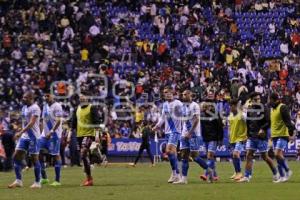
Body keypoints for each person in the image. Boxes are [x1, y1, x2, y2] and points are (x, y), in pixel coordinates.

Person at [173, 90, 213, 184]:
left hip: (193, 134)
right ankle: (184, 179)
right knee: (184, 156)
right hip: (184, 134)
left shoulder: (195, 106)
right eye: (182, 94)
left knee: (194, 156)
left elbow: (196, 120)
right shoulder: (182, 107)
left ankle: (209, 170)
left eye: (185, 94)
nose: (183, 96)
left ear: (190, 95)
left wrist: (190, 133)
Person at [238, 92, 279, 183]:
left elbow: (269, 122)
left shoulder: (264, 108)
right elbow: (248, 123)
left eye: (259, 99)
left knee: (265, 157)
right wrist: (247, 134)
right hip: (251, 137)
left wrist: (262, 129)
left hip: (261, 137)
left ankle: (276, 173)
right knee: (248, 155)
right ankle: (247, 176)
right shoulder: (249, 109)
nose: (258, 100)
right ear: (251, 100)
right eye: (256, 99)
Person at [8, 92, 42, 188]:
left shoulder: (35, 108)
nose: (23, 99)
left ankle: (37, 182)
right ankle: (18, 180)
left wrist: (20, 132)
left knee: (34, 158)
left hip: (34, 136)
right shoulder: (24, 108)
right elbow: (24, 122)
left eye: (25, 97)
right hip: (25, 136)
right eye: (23, 97)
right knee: (15, 156)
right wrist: (19, 129)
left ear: (31, 98)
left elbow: (31, 123)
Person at [153, 86, 182, 183]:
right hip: (167, 132)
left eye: (168, 92)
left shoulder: (178, 103)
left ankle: (176, 174)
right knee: (171, 153)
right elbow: (162, 118)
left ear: (172, 93)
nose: (167, 94)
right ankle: (175, 174)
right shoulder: (164, 105)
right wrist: (157, 126)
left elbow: (185, 115)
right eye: (165, 92)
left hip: (175, 131)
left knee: (168, 150)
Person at [72, 93, 101, 186]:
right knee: (84, 155)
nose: (82, 100)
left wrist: (97, 135)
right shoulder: (76, 109)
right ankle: (93, 161)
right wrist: (69, 135)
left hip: (89, 134)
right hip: (79, 135)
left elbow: (97, 122)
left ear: (87, 99)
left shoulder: (92, 108)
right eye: (80, 99)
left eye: (83, 98)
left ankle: (89, 179)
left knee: (83, 153)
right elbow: (73, 124)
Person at [269, 93, 295, 183]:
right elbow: (273, 123)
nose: (269, 102)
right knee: (279, 156)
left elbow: (288, 121)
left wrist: (291, 133)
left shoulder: (282, 107)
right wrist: (271, 136)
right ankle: (282, 176)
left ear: (274, 100)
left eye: (270, 100)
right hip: (275, 135)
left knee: (277, 154)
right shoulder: (272, 109)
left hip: (283, 135)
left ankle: (287, 170)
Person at [39, 93, 63, 186]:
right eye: (45, 96)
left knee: (55, 155)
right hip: (44, 135)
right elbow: (44, 120)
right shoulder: (45, 106)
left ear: (53, 97)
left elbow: (58, 120)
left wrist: (52, 131)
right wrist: (41, 133)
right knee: (38, 153)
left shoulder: (57, 106)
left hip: (54, 135)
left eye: (48, 96)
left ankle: (57, 180)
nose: (46, 97)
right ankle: (44, 177)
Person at [200, 100, 224, 181]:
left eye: (205, 107)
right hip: (206, 138)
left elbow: (220, 127)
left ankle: (205, 174)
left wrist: (220, 139)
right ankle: (215, 175)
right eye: (202, 107)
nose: (203, 108)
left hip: (213, 138)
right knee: (210, 157)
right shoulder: (202, 116)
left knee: (210, 156)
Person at [228, 99, 247, 181]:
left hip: (240, 138)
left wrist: (247, 135)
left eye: (231, 106)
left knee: (236, 154)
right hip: (232, 138)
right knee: (233, 155)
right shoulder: (230, 116)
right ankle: (236, 172)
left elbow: (248, 124)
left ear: (235, 106)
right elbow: (230, 127)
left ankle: (239, 173)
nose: (230, 108)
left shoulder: (242, 115)